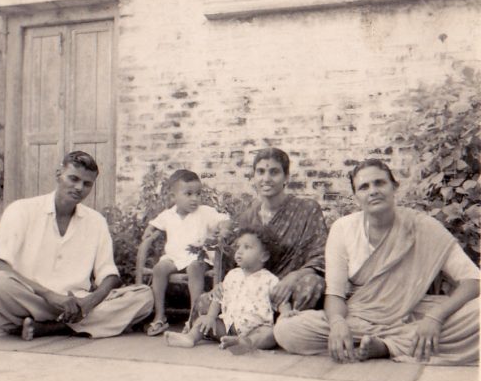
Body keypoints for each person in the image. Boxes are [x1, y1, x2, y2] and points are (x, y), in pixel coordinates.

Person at [274, 158, 480, 365]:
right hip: (360, 317)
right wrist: (337, 324)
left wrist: (436, 317)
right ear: (356, 196)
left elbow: (473, 280)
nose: (373, 191)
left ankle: (385, 346)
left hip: (412, 313)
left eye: (379, 183)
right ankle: (396, 344)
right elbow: (335, 294)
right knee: (288, 330)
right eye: (364, 187)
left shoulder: (423, 226)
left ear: (394, 187)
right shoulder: (343, 229)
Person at [0, 151, 154, 340]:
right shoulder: (22, 210)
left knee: (144, 296)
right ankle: (73, 325)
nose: (79, 187)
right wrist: (49, 295)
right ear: (59, 174)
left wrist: (90, 302)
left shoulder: (96, 221)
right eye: (73, 179)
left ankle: (51, 328)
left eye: (87, 184)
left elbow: (109, 275)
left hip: (77, 304)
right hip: (33, 297)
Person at [165, 226, 292, 354]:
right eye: (238, 247)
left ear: (264, 256)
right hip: (228, 327)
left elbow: (281, 300)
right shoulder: (232, 275)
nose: (239, 251)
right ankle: (190, 338)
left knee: (269, 333)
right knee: (203, 320)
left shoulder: (269, 279)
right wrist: (210, 316)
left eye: (247, 247)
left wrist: (285, 314)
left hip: (256, 328)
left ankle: (246, 343)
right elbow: (219, 298)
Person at [137, 169, 230, 336]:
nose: (195, 198)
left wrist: (223, 228)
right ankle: (160, 316)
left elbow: (224, 220)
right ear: (174, 196)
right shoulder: (168, 215)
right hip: (174, 258)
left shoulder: (205, 212)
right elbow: (154, 224)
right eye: (188, 194)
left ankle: (193, 317)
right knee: (159, 268)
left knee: (194, 268)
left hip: (198, 258)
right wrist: (149, 230)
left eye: (198, 194)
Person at [236, 147, 328, 311]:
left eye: (274, 172)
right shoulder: (248, 217)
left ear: (286, 177)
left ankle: (289, 321)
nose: (266, 178)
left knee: (313, 284)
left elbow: (320, 256)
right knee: (208, 299)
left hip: (291, 290)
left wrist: (294, 276)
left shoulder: (307, 209)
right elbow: (238, 259)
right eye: (261, 172)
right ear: (254, 176)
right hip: (255, 289)